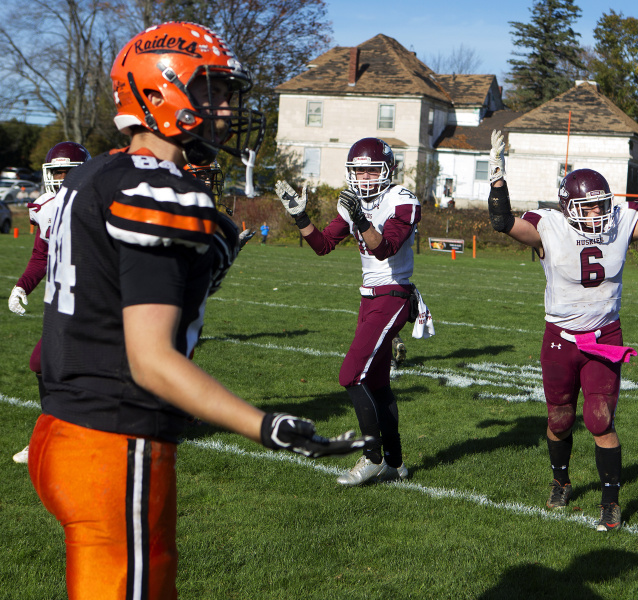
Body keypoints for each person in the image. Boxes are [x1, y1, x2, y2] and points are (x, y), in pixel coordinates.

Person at [29, 22, 369, 599]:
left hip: (58, 431)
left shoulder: (95, 174)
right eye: (209, 89)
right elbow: (151, 359)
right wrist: (268, 426)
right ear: (160, 92)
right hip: (113, 443)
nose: (225, 108)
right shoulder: (159, 191)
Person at [487, 127, 638, 531]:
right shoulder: (549, 227)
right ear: (569, 207)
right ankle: (561, 480)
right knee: (559, 419)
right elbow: (501, 221)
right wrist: (497, 175)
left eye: (601, 206)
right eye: (589, 208)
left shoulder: (620, 226)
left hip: (603, 338)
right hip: (559, 339)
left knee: (599, 420)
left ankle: (610, 502)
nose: (598, 214)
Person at [275, 136, 428, 486]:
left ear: (387, 171)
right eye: (358, 170)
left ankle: (373, 457)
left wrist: (360, 219)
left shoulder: (400, 200)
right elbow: (323, 245)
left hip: (394, 294)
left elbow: (384, 248)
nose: (364, 177)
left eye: (372, 170)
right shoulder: (353, 202)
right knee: (376, 383)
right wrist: (300, 216)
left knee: (350, 374)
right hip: (368, 297)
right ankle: (395, 464)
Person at [7, 141, 91, 463]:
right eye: (57, 171)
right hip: (61, 301)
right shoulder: (45, 208)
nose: (62, 177)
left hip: (95, 301)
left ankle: (59, 438)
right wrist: (21, 288)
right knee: (42, 364)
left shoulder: (101, 205)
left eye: (70, 171)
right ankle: (54, 435)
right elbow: (41, 257)